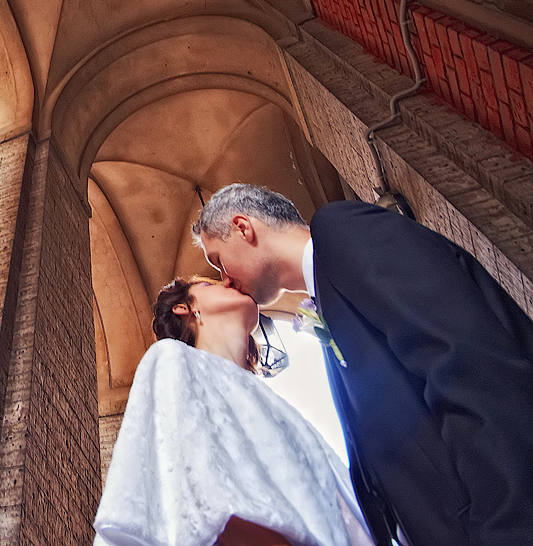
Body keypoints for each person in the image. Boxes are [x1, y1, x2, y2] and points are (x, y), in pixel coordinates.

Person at [192, 184, 533, 546]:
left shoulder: (340, 233)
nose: (224, 278)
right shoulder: (328, 297)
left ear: (243, 227)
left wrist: (509, 525)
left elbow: (468, 366)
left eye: (218, 261)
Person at [93, 276, 373, 546]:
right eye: (208, 284)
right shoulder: (173, 358)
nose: (227, 281)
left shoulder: (269, 401)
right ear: (184, 308)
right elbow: (201, 492)